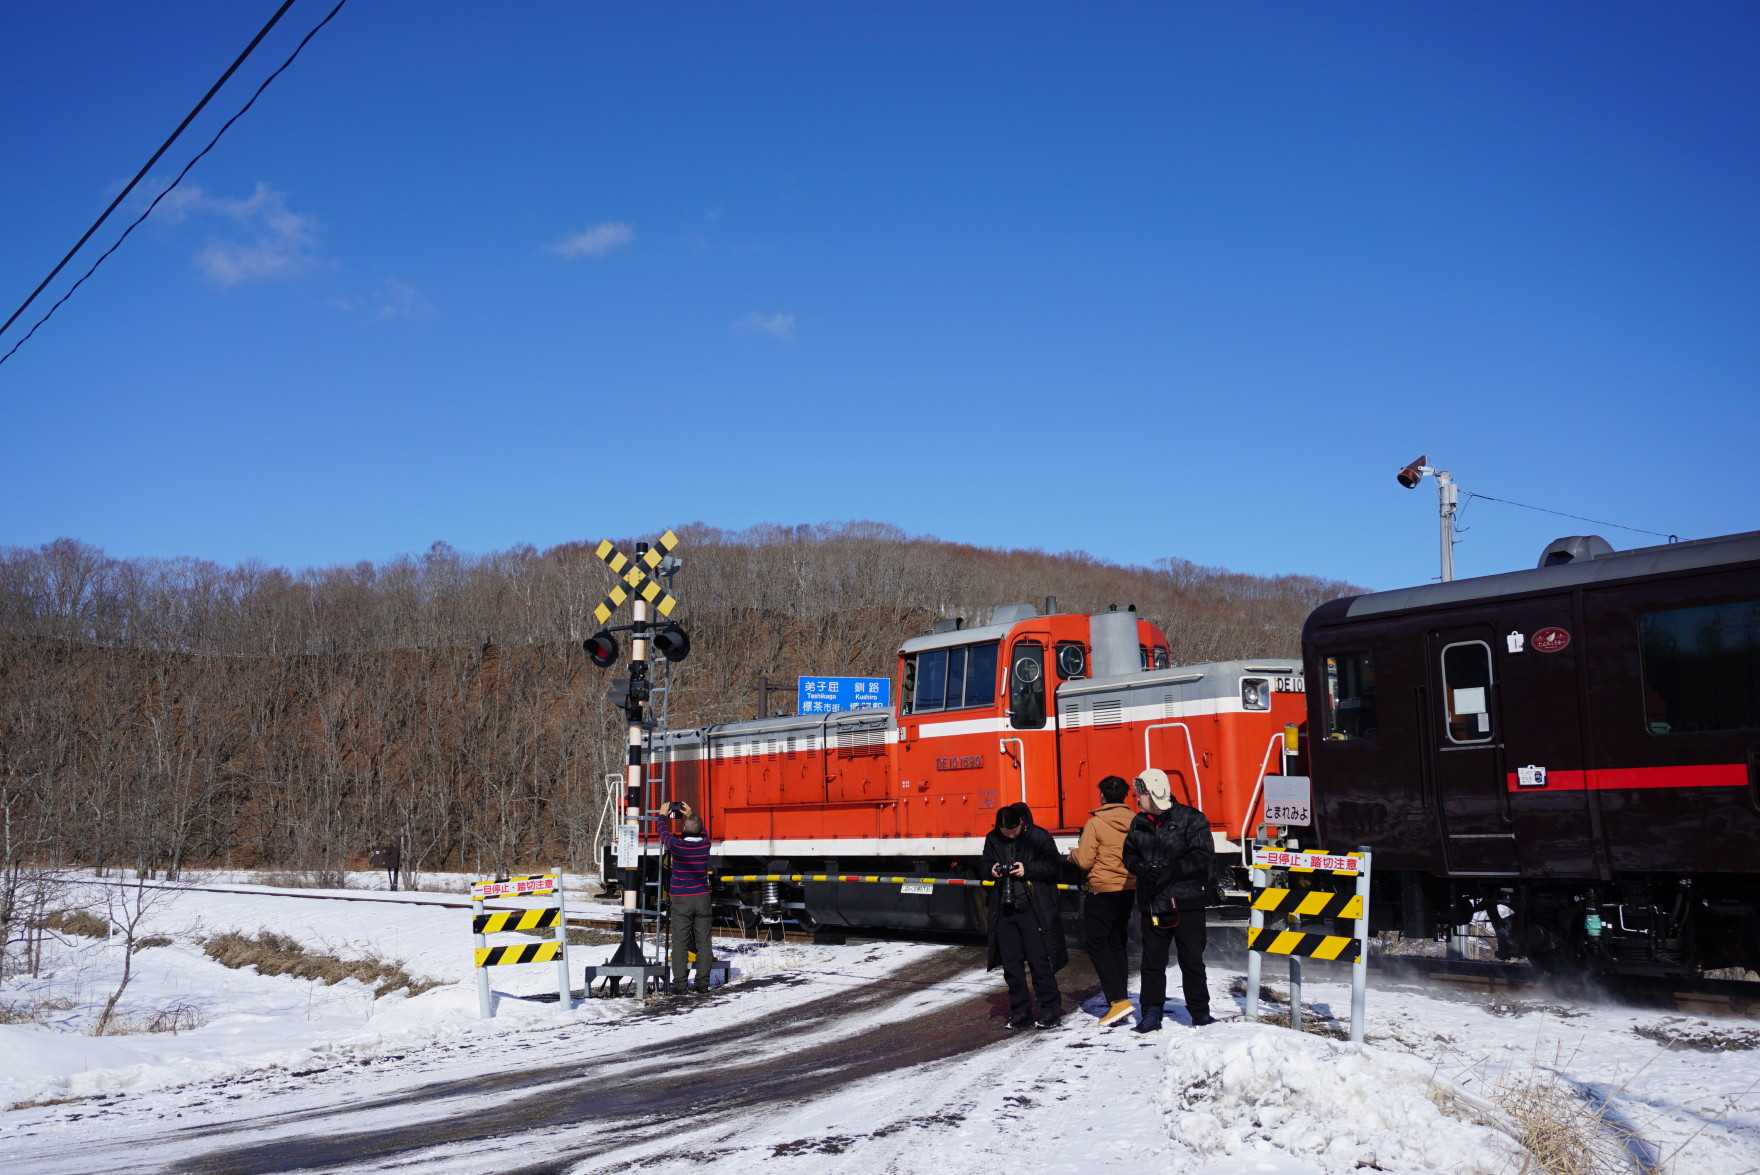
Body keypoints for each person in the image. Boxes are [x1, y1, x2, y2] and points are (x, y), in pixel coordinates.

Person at [1122, 768, 1215, 1032]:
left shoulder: (1192, 819)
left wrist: (1172, 869)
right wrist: (1141, 868)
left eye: (1140, 794)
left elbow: (1203, 855)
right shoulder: (1139, 822)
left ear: (1153, 794)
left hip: (1187, 902)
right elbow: (1128, 855)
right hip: (1153, 902)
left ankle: (1200, 1012)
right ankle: (1151, 1013)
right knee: (1152, 961)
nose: (1136, 798)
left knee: (1192, 960)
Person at [980, 802, 1068, 1028]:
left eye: (1013, 830)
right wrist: (992, 869)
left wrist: (1027, 869)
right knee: (1011, 966)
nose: (1010, 835)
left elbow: (1054, 867)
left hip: (1033, 909)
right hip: (1004, 908)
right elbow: (983, 864)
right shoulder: (993, 839)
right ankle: (1020, 1012)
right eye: (1005, 831)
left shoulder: (1039, 837)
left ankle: (1050, 1010)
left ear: (1021, 823)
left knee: (1040, 963)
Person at [1068, 775, 1137, 1027]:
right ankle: (1121, 997)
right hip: (1128, 888)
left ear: (1102, 796)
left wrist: (1072, 855)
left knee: (1097, 943)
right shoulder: (1135, 821)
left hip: (1102, 890)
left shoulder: (1095, 823)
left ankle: (1117, 1000)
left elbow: (1085, 860)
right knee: (1117, 943)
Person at [661, 801, 715, 993]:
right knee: (704, 942)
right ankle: (702, 983)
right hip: (702, 898)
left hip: (681, 899)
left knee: (680, 942)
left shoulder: (678, 845)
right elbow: (704, 832)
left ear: (684, 829)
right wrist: (692, 814)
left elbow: (664, 835)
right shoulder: (705, 845)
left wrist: (662, 816)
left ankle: (680, 984)